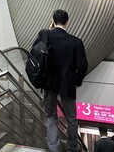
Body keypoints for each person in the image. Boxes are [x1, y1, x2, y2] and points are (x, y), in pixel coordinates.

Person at [36, 9, 88, 152]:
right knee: (71, 119)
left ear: (53, 21)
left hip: (49, 83)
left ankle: (54, 148)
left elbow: (37, 54)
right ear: (67, 22)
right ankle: (72, 148)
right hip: (67, 84)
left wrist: (49, 30)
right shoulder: (75, 42)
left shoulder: (45, 36)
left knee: (51, 116)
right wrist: (76, 81)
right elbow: (82, 66)